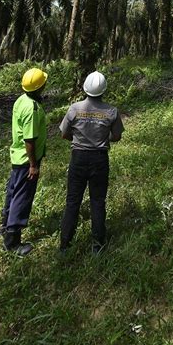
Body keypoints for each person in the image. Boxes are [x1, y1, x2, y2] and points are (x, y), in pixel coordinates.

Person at [59, 70, 124, 255]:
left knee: (72, 201)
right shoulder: (111, 111)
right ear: (104, 90)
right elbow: (117, 136)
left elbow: (64, 134)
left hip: (78, 158)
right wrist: (102, 138)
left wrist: (79, 138)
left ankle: (65, 245)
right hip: (99, 160)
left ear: (85, 88)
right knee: (97, 201)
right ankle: (97, 245)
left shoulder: (74, 109)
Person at [0, 67, 48, 257]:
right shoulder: (32, 109)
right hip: (27, 159)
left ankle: (4, 225)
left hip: (17, 156)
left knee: (13, 190)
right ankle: (12, 242)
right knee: (23, 196)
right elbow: (30, 140)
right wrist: (34, 165)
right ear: (40, 87)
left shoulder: (21, 100)